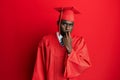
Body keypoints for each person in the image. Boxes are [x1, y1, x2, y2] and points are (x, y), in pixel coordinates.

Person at [32, 7, 91, 80]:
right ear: (58, 23)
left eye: (70, 25)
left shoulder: (79, 42)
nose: (67, 28)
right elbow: (39, 68)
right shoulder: (46, 41)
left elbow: (83, 65)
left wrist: (70, 50)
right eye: (64, 24)